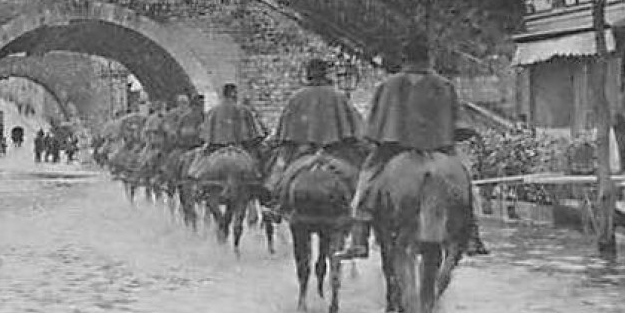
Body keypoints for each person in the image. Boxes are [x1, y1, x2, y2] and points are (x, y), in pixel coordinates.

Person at [348, 39, 488, 258]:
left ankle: (360, 238)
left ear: (404, 59)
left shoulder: (388, 85)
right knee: (465, 181)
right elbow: (460, 126)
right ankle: (471, 234)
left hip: (393, 150)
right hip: (439, 149)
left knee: (367, 181)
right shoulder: (444, 84)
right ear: (428, 58)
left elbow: (372, 130)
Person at [264, 59, 364, 202]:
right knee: (364, 177)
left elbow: (281, 134)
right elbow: (358, 130)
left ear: (308, 74)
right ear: (326, 74)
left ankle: (274, 204)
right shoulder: (339, 97)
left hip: (301, 152)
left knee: (277, 175)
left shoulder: (296, 98)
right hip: (336, 152)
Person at [202, 83, 265, 148]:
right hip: (241, 148)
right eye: (236, 93)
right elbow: (257, 136)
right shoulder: (244, 110)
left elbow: (205, 137)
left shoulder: (212, 112)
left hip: (217, 148)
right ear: (233, 93)